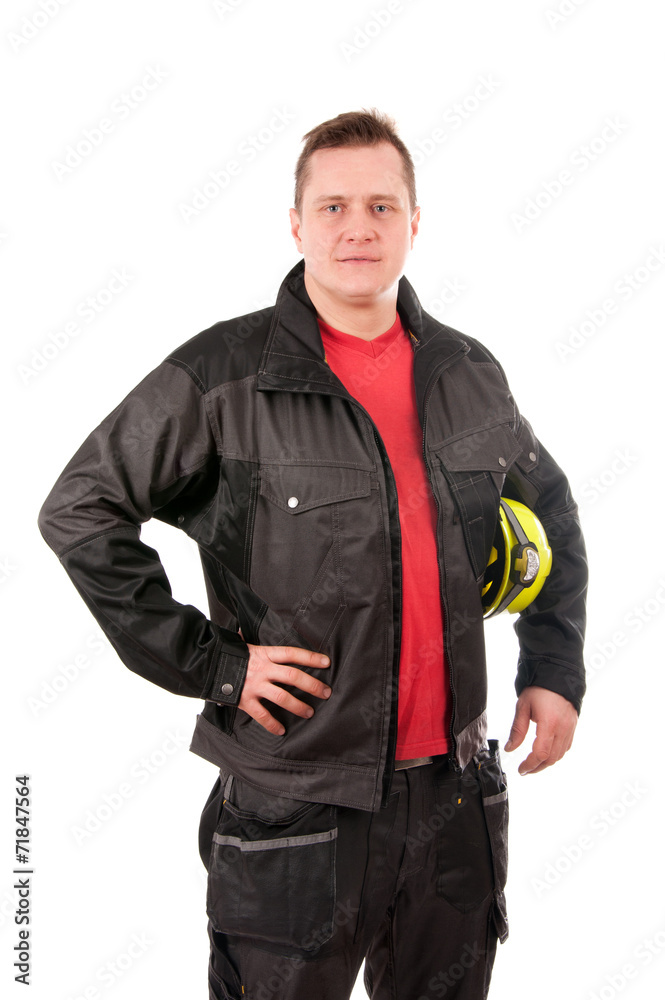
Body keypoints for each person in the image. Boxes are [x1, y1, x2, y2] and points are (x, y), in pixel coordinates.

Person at [39, 109, 587, 999]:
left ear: (415, 222)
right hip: (295, 807)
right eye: (332, 207)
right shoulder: (223, 374)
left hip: (455, 800)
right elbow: (80, 510)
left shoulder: (466, 372)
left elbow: (550, 508)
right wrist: (215, 665)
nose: (357, 227)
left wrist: (554, 667)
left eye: (380, 205)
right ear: (296, 225)